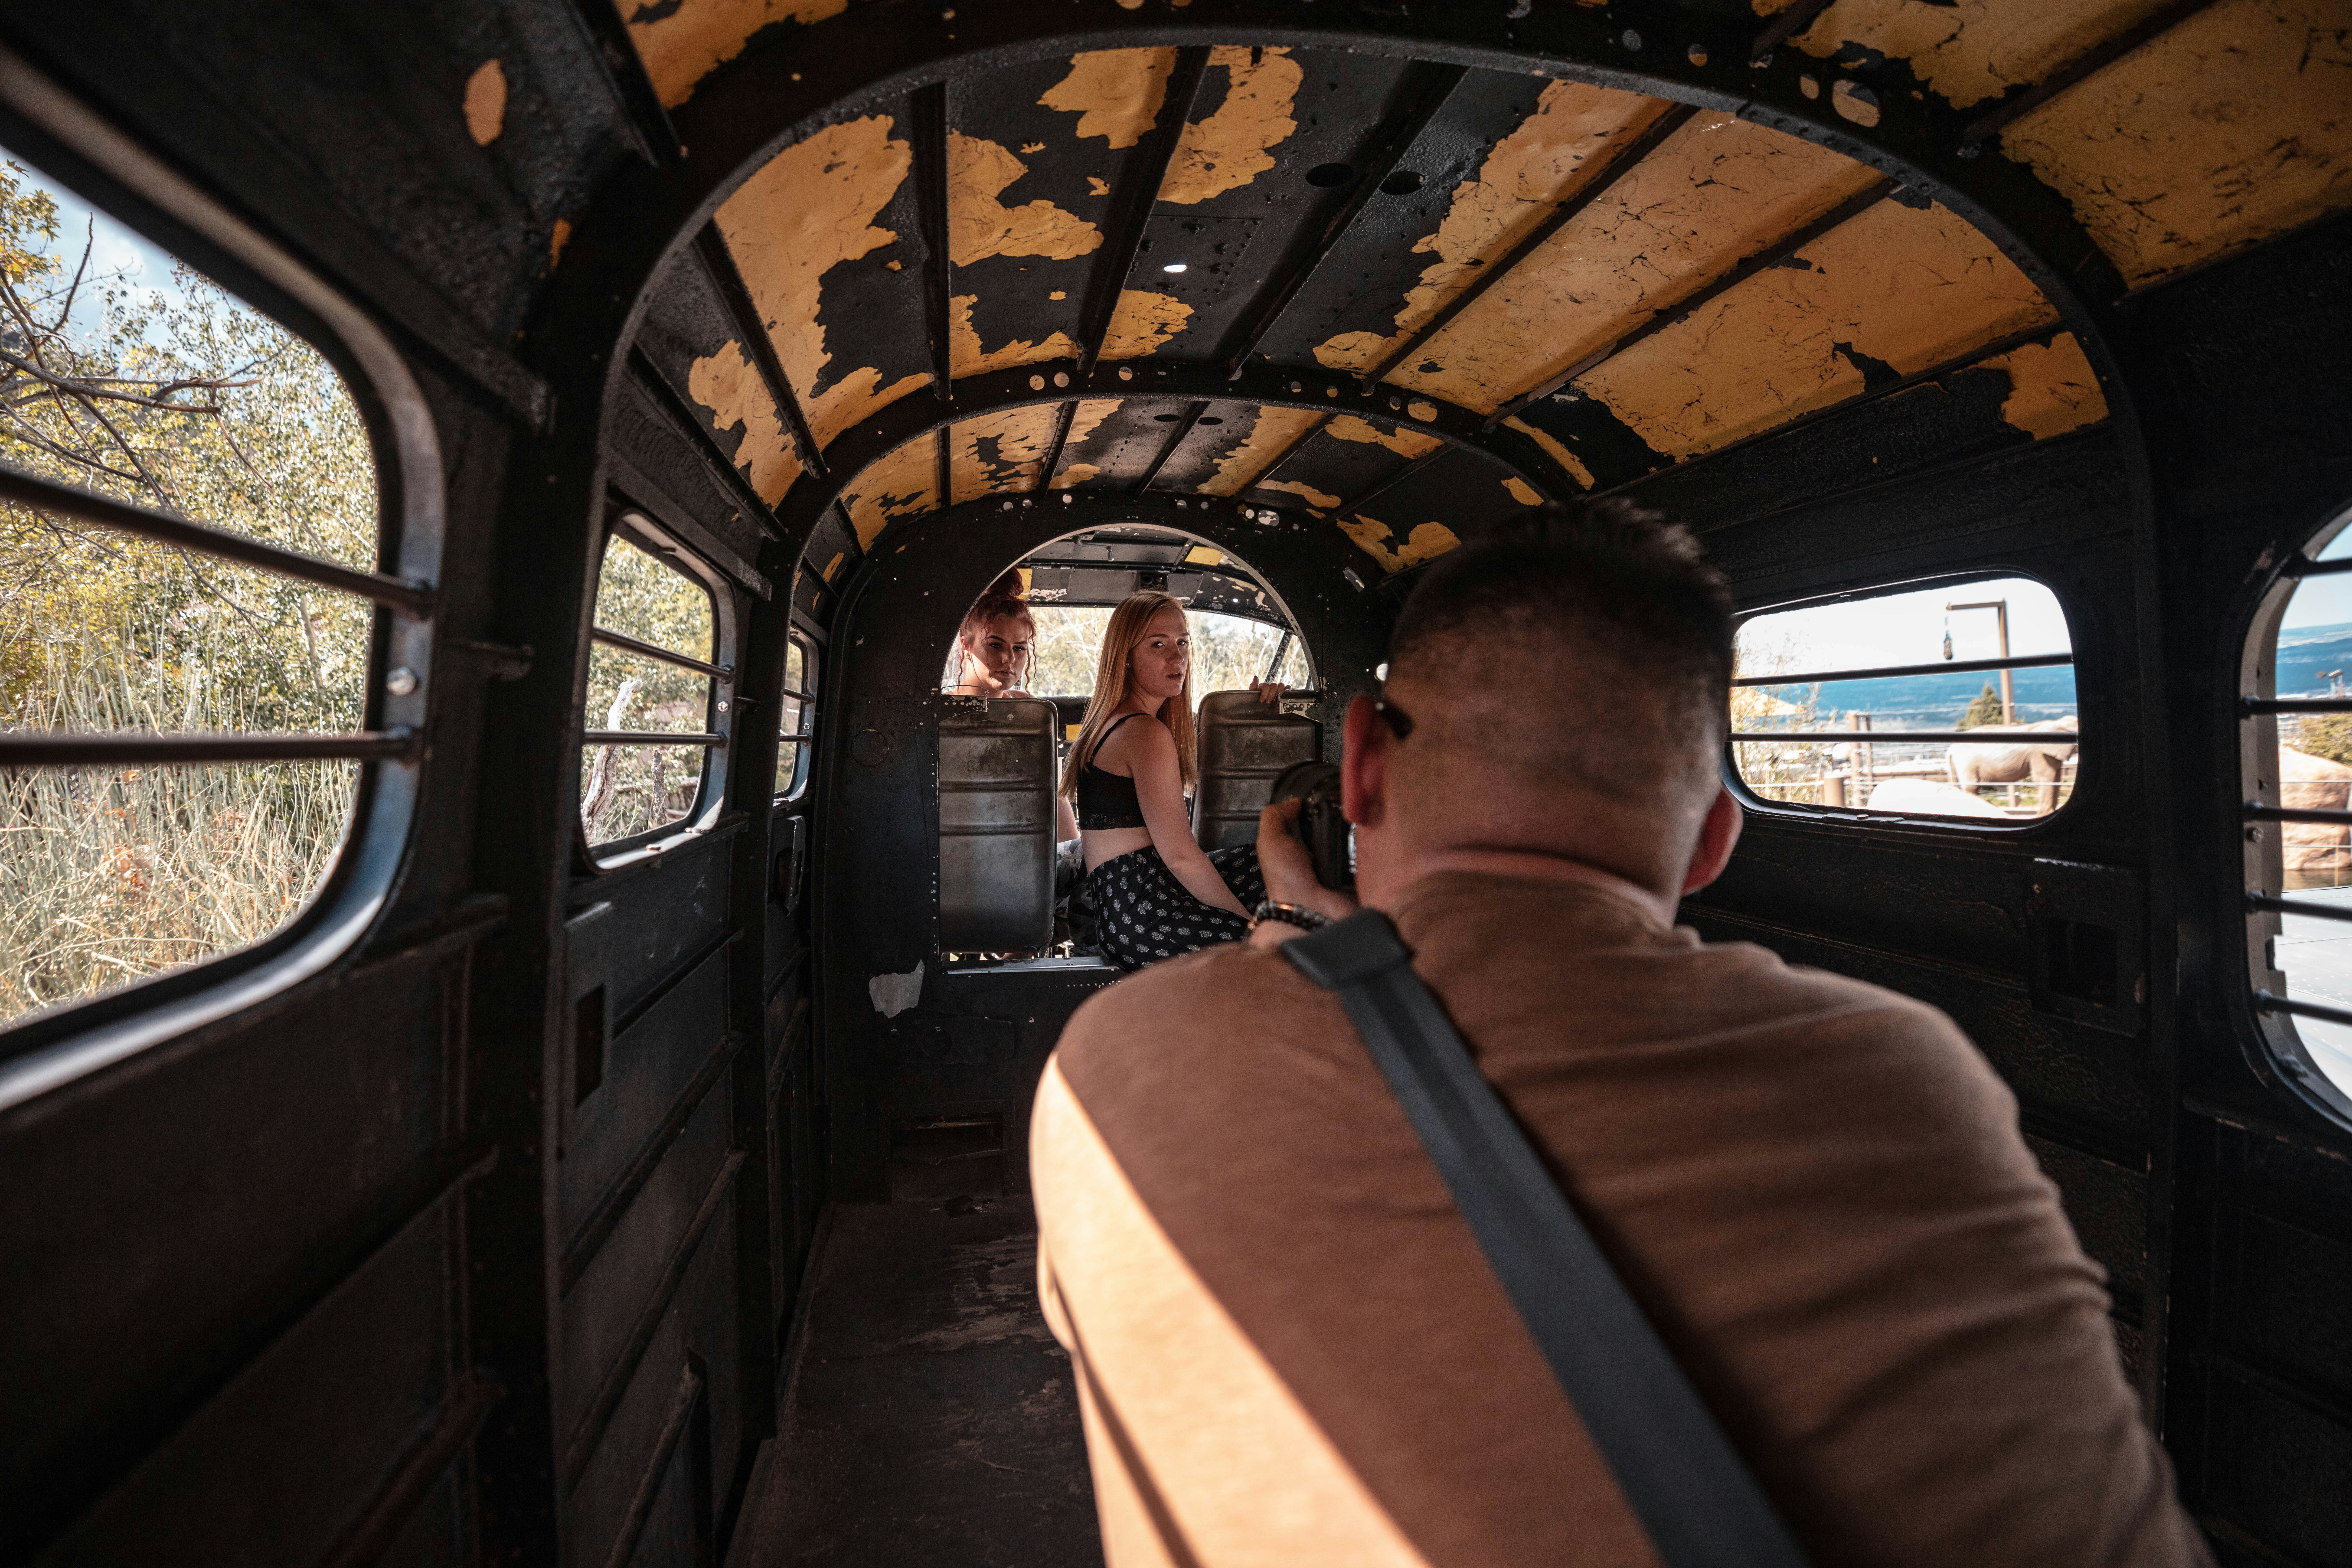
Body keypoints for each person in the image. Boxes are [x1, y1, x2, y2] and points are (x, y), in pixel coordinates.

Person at [1030, 502, 2207, 1567]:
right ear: (1710, 841)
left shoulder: (1111, 1071)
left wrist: (1287, 915)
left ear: (1362, 765)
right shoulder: (1907, 1081)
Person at [1059, 591, 1283, 972]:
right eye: (1158, 645)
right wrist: (1251, 927)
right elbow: (1180, 856)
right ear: (1125, 658)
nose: (1177, 657)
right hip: (1144, 917)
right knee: (1282, 950)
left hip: (1124, 906)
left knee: (1264, 864)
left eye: (1182, 643)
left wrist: (1254, 712)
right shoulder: (1144, 732)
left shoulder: (1118, 721)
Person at [948, 571, 1078, 842]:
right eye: (995, 645)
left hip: (1022, 844)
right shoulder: (943, 711)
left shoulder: (1028, 710)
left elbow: (1050, 790)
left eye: (1020, 648)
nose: (1009, 659)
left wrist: (1070, 852)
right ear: (966, 647)